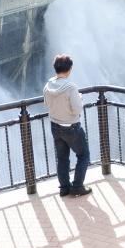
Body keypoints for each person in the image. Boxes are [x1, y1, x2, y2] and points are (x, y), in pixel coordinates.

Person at [43, 54, 92, 197]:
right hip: (71, 127)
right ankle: (77, 187)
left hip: (55, 126)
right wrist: (79, 99)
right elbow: (77, 109)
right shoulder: (70, 87)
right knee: (83, 155)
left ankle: (64, 188)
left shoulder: (48, 85)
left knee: (62, 158)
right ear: (69, 69)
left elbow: (47, 103)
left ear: (55, 69)